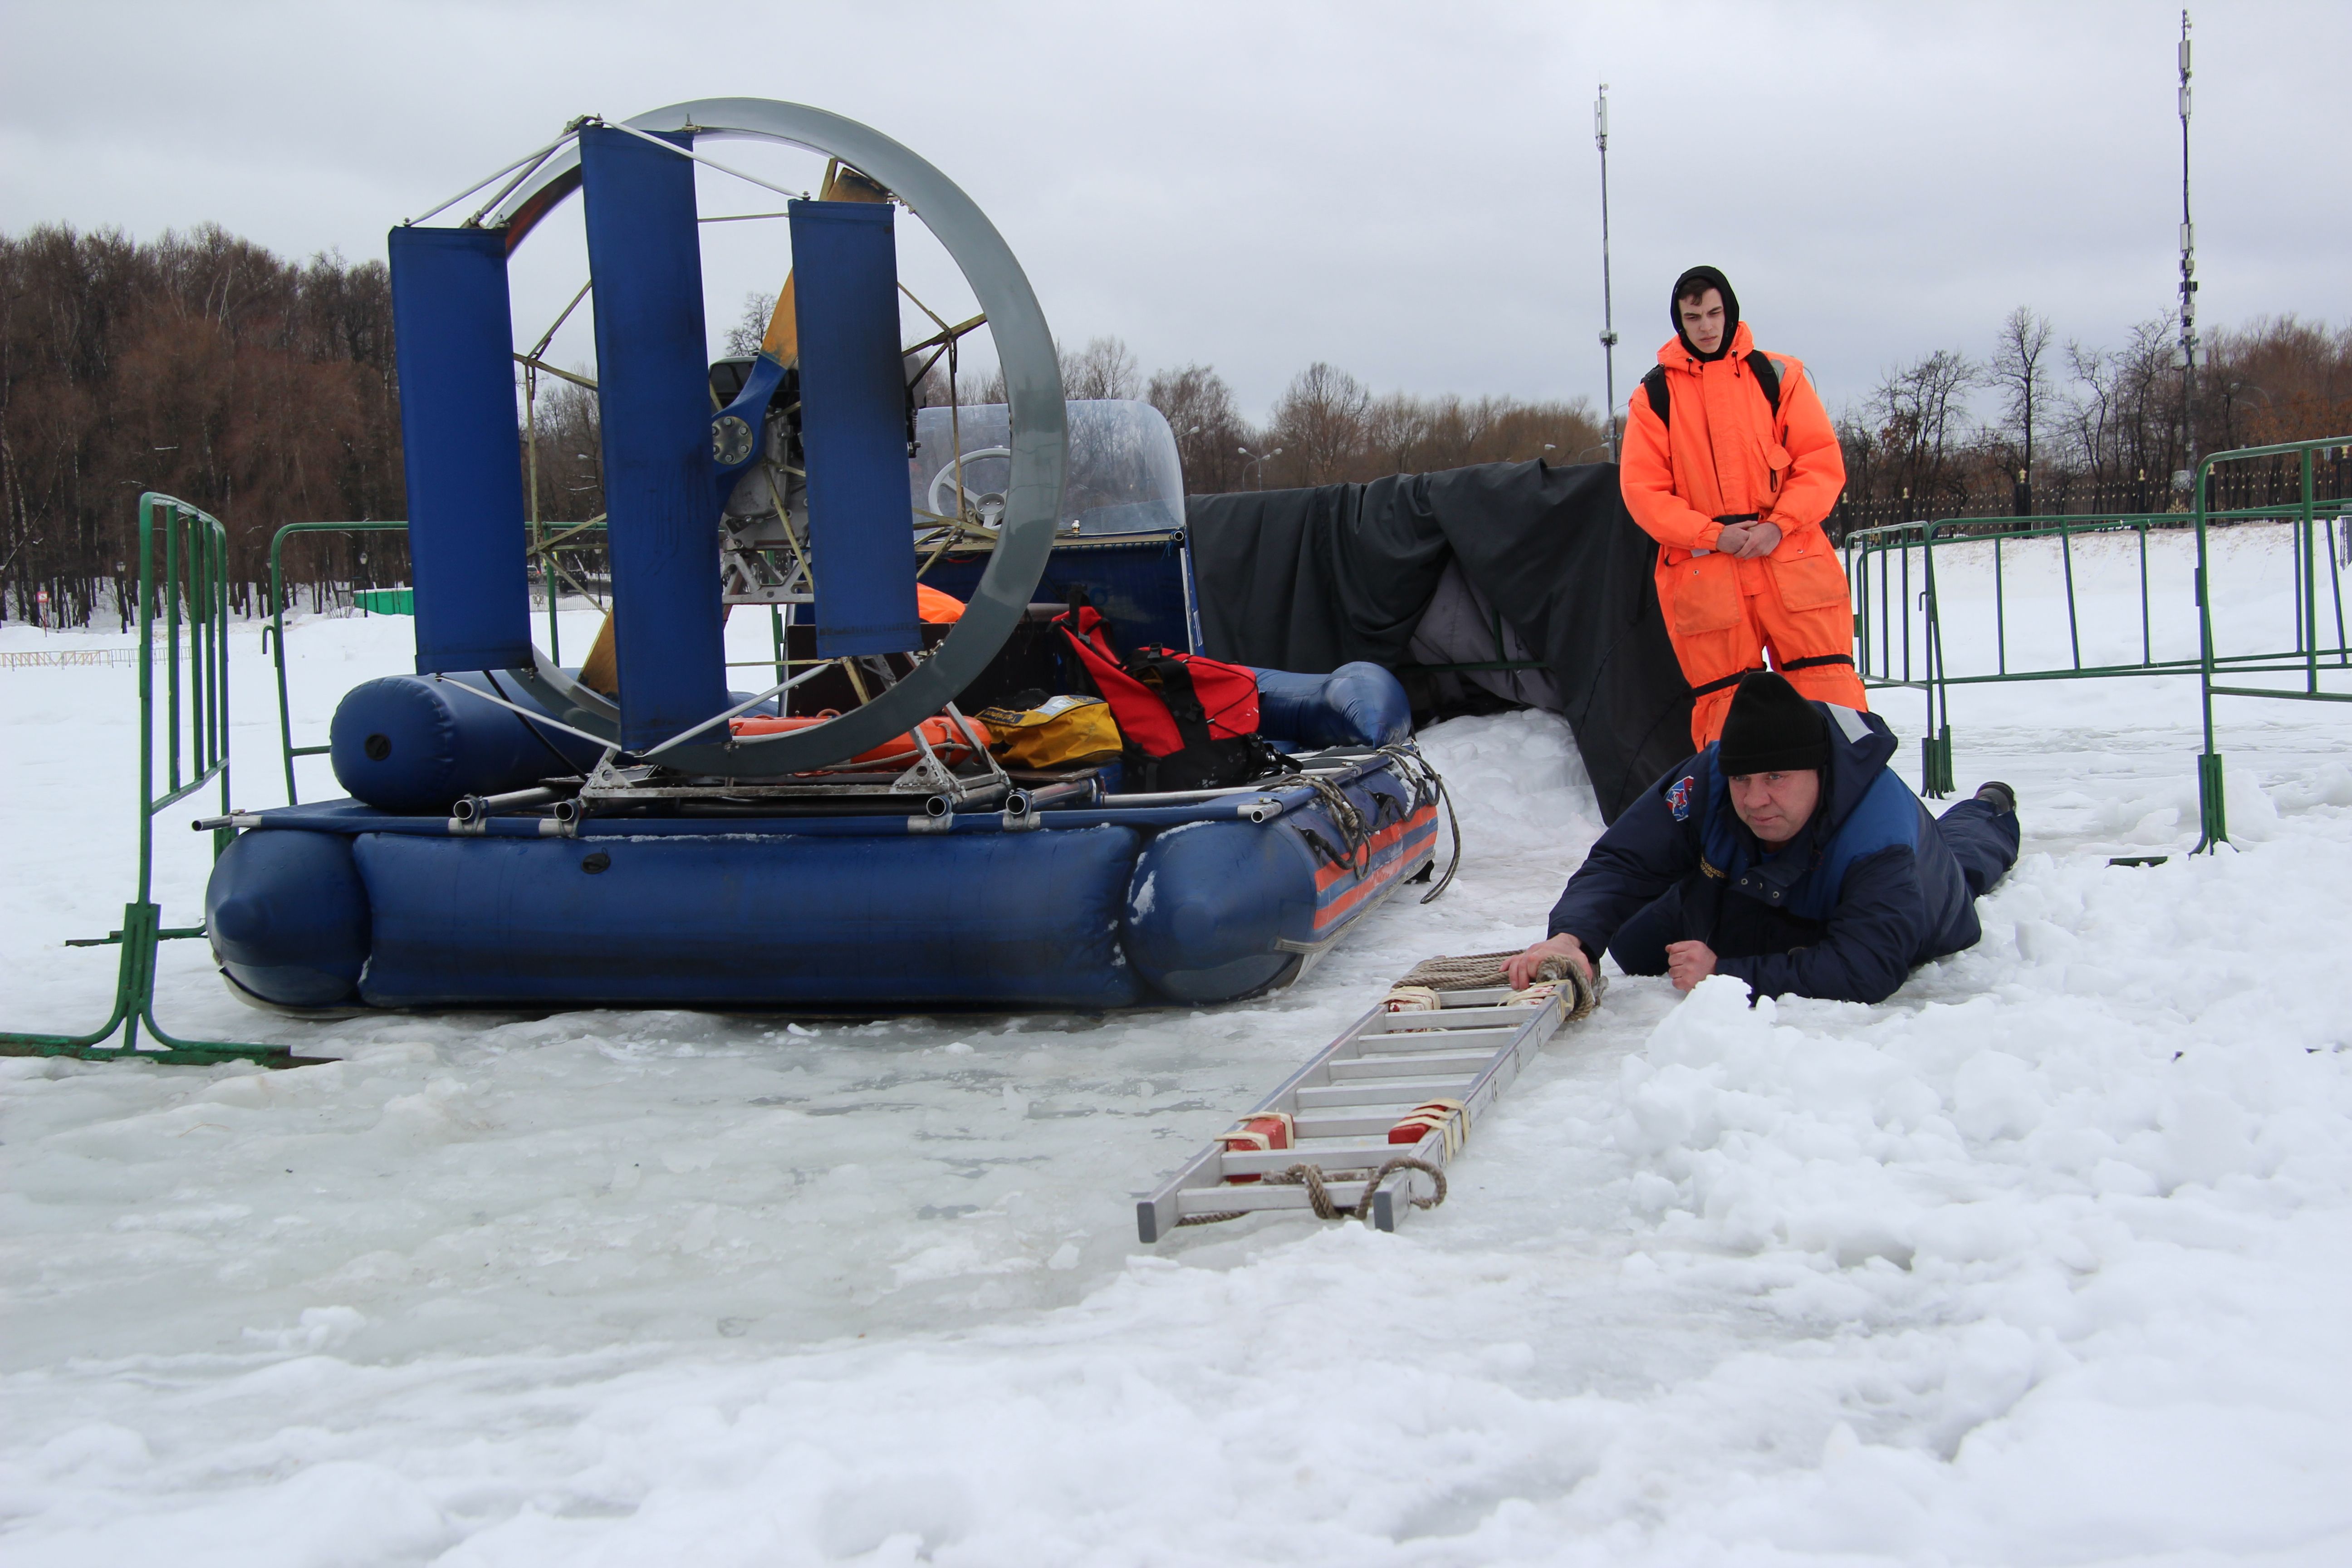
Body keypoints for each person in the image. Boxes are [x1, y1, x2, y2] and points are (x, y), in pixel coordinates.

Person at [1504, 671, 2019, 1005]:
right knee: (1636, 944)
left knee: (1965, 859)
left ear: (1819, 773)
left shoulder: (1879, 838)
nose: (1754, 800)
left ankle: (1989, 807)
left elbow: (1869, 968)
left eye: (1777, 779)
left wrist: (1726, 973)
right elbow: (1626, 858)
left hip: (1882, 901)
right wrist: (1570, 939)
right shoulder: (1708, 778)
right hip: (1763, 889)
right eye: (1743, 781)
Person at [1622, 265, 1870, 749]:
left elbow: (1820, 465)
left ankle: (1853, 808)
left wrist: (1778, 526)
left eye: (1715, 313)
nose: (1707, 327)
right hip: (1709, 573)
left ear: (1730, 311)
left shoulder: (1779, 377)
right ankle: (1739, 819)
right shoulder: (1653, 397)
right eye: (1694, 317)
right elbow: (1643, 492)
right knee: (1726, 719)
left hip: (1790, 560)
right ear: (1680, 321)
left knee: (1831, 699)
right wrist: (1712, 535)